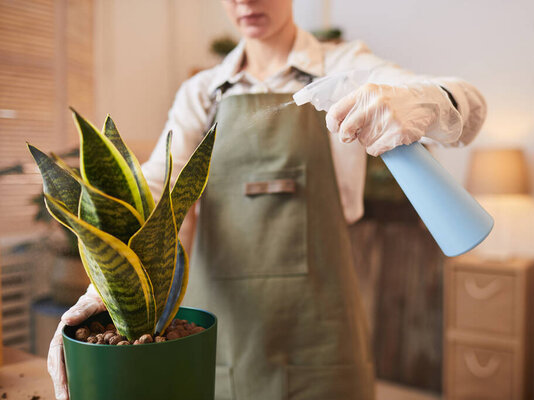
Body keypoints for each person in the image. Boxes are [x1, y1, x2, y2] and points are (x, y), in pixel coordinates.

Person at [48, 0, 486, 399]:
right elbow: (156, 192)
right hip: (221, 339)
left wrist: (417, 104)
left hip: (323, 333)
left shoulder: (346, 67)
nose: (244, 2)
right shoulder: (202, 94)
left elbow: (468, 105)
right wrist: (99, 291)